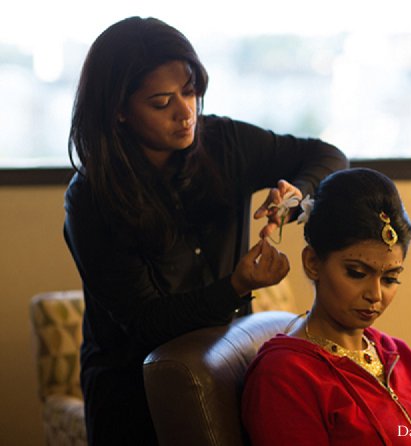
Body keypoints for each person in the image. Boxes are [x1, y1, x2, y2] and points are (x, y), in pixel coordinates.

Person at [63, 16, 347, 445]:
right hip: (133, 394)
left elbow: (326, 155)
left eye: (191, 91)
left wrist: (295, 197)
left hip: (229, 367)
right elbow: (146, 322)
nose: (186, 113)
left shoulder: (222, 142)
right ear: (118, 110)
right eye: (161, 103)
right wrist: (236, 285)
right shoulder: (91, 198)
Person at [242, 168, 411, 446]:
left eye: (391, 278)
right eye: (357, 273)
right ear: (312, 262)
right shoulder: (286, 375)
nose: (375, 294)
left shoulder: (397, 355)